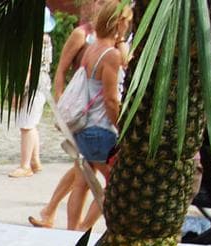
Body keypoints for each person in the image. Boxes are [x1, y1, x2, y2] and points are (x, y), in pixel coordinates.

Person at [29, 0, 104, 229]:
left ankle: (50, 211)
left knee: (82, 168)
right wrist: (61, 104)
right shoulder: (81, 34)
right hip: (82, 108)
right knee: (83, 168)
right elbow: (61, 68)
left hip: (95, 112)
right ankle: (68, 223)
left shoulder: (106, 38)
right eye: (99, 1)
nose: (102, 6)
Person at [63, 0, 131, 232]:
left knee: (82, 182)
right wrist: (123, 128)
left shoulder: (92, 48)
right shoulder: (110, 55)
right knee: (117, 186)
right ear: (119, 23)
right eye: (128, 22)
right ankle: (83, 229)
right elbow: (111, 100)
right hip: (101, 129)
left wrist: (119, 39)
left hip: (84, 127)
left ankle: (72, 230)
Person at [10, 7, 54, 179]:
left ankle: (25, 165)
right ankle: (35, 160)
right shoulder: (45, 39)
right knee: (32, 122)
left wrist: (18, 91)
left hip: (33, 84)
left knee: (27, 124)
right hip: (41, 82)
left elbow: (29, 68)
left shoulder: (34, 41)